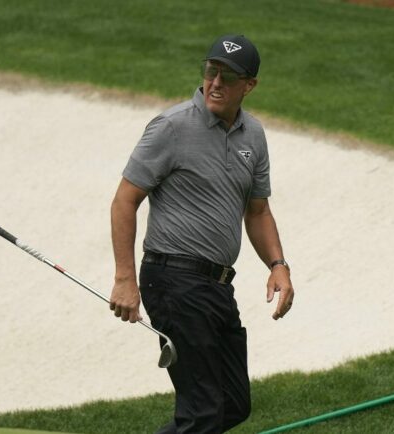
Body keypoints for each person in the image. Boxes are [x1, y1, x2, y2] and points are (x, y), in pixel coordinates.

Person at [109, 34, 295, 433]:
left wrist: (278, 264)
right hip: (173, 280)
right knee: (203, 412)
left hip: (217, 287)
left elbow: (258, 211)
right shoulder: (172, 127)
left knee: (232, 404)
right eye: (211, 71)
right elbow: (124, 200)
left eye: (229, 77)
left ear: (249, 85)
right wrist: (125, 278)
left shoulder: (253, 135)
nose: (216, 83)